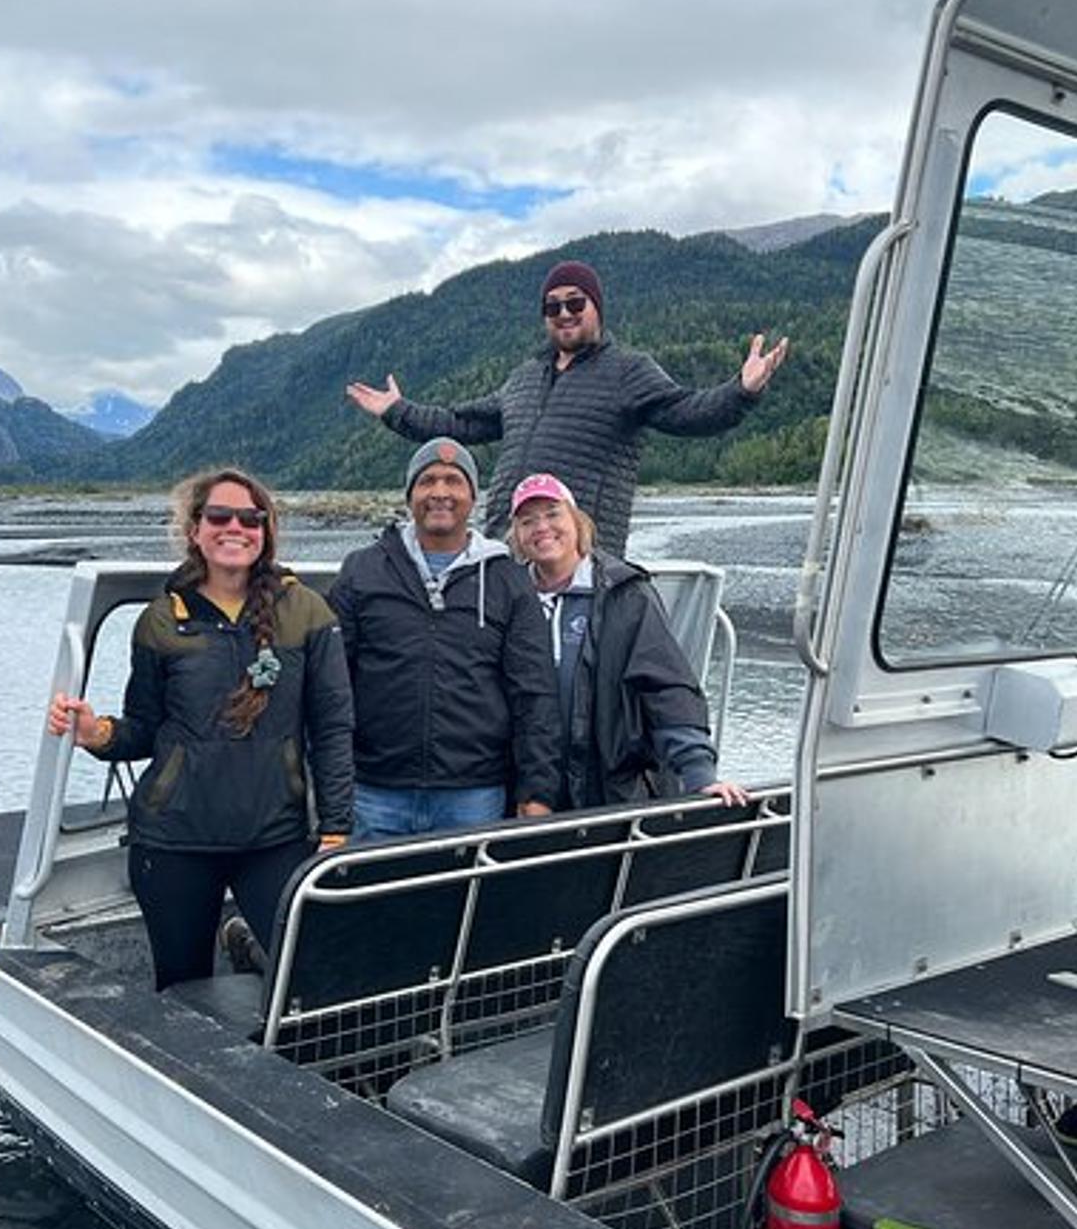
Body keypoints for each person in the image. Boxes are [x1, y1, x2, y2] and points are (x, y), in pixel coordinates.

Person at [48, 469, 353, 990]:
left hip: (273, 838)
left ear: (266, 532)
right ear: (195, 530)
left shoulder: (306, 611)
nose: (235, 527)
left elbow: (333, 727)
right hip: (173, 843)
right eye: (219, 516)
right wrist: (96, 732)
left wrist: (336, 828)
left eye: (250, 519)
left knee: (311, 974)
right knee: (183, 987)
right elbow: (145, 729)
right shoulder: (162, 620)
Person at [345, 259, 788, 556]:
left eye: (576, 302)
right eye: (552, 306)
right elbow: (459, 422)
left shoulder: (628, 371)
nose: (564, 312)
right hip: (505, 553)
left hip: (579, 563)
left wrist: (742, 390)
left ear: (597, 308)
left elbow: (689, 411)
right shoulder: (523, 378)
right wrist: (396, 410)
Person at [328, 437, 561, 839]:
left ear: (473, 497)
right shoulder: (361, 571)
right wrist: (333, 785)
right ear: (409, 495)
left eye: (454, 481)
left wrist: (538, 791)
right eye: (427, 481)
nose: (440, 492)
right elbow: (332, 685)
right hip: (375, 790)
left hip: (475, 793)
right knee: (375, 903)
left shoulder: (508, 580)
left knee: (465, 904)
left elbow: (534, 693)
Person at [506, 472, 749, 810]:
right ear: (517, 537)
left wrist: (699, 774)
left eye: (552, 513)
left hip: (611, 792)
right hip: (530, 797)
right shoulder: (508, 599)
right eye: (527, 521)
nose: (541, 527)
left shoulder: (627, 596)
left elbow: (666, 686)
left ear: (577, 521)